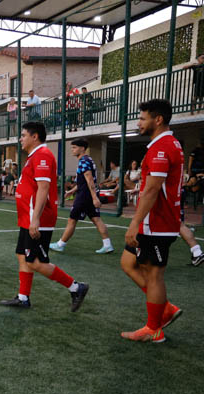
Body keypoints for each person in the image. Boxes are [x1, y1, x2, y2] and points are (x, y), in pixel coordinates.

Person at [0, 122, 88, 310]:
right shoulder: (34, 156)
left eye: (23, 135)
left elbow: (43, 188)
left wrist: (35, 219)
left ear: (35, 136)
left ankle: (76, 287)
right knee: (22, 255)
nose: (21, 139)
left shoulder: (43, 156)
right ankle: (23, 298)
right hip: (28, 218)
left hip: (38, 218)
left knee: (36, 262)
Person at [120, 99, 185, 342]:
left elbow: (152, 189)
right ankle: (164, 309)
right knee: (128, 263)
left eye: (143, 118)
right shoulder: (167, 143)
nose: (139, 122)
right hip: (156, 221)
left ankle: (154, 329)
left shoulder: (162, 146)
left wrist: (134, 222)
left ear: (158, 120)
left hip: (156, 222)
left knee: (154, 273)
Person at [50, 139, 114, 254]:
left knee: (72, 220)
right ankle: (107, 245)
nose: (72, 149)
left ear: (82, 148)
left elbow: (89, 180)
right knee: (96, 219)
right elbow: (84, 181)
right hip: (87, 194)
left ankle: (60, 244)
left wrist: (95, 198)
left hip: (85, 196)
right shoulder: (88, 160)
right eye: (72, 147)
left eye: (74, 147)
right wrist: (72, 191)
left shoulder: (83, 161)